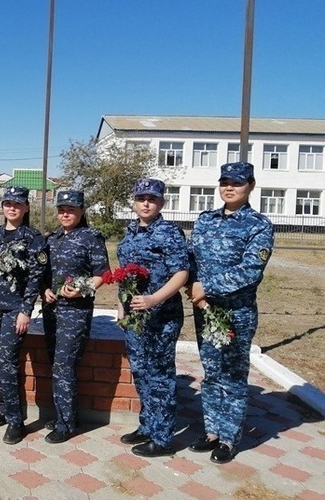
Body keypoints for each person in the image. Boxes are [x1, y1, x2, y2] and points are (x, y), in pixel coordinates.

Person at [186, 162, 274, 464]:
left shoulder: (259, 225)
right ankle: (211, 430)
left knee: (234, 376)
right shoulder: (206, 220)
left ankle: (229, 437)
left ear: (250, 185)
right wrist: (193, 287)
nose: (229, 188)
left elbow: (250, 271)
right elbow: (192, 257)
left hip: (236, 313)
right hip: (205, 310)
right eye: (224, 182)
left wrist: (205, 287)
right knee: (211, 373)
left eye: (236, 183)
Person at [116, 178, 189, 457]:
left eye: (152, 199)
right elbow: (125, 274)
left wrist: (154, 298)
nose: (146, 203)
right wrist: (121, 306)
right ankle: (147, 426)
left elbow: (181, 273)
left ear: (161, 203)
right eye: (141, 198)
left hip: (161, 316)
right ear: (134, 202)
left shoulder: (169, 233)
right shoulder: (130, 232)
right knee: (141, 373)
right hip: (135, 317)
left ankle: (162, 437)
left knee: (160, 376)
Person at [0, 186, 47, 445]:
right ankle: (4, 409)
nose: (12, 208)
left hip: (14, 309)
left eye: (17, 204)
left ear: (26, 207)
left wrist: (25, 311)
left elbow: (35, 277)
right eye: (8, 203)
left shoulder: (32, 238)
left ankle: (16, 421)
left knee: (8, 361)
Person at [41, 189, 109, 444]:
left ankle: (67, 424)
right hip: (52, 312)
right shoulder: (52, 239)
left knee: (65, 366)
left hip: (76, 313)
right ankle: (62, 414)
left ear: (81, 211)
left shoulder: (91, 238)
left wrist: (81, 289)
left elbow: (102, 274)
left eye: (71, 209)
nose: (65, 213)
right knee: (56, 364)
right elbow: (44, 275)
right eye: (61, 209)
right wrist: (44, 290)